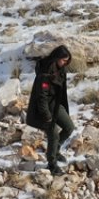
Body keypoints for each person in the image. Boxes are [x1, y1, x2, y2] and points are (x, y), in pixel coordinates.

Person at [26, 45, 74, 176]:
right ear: (57, 58)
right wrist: (47, 116)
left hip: (56, 104)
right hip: (43, 108)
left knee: (69, 127)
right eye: (64, 60)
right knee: (54, 133)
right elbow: (41, 97)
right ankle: (52, 164)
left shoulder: (60, 69)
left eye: (67, 60)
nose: (65, 63)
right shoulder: (45, 73)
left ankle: (55, 151)